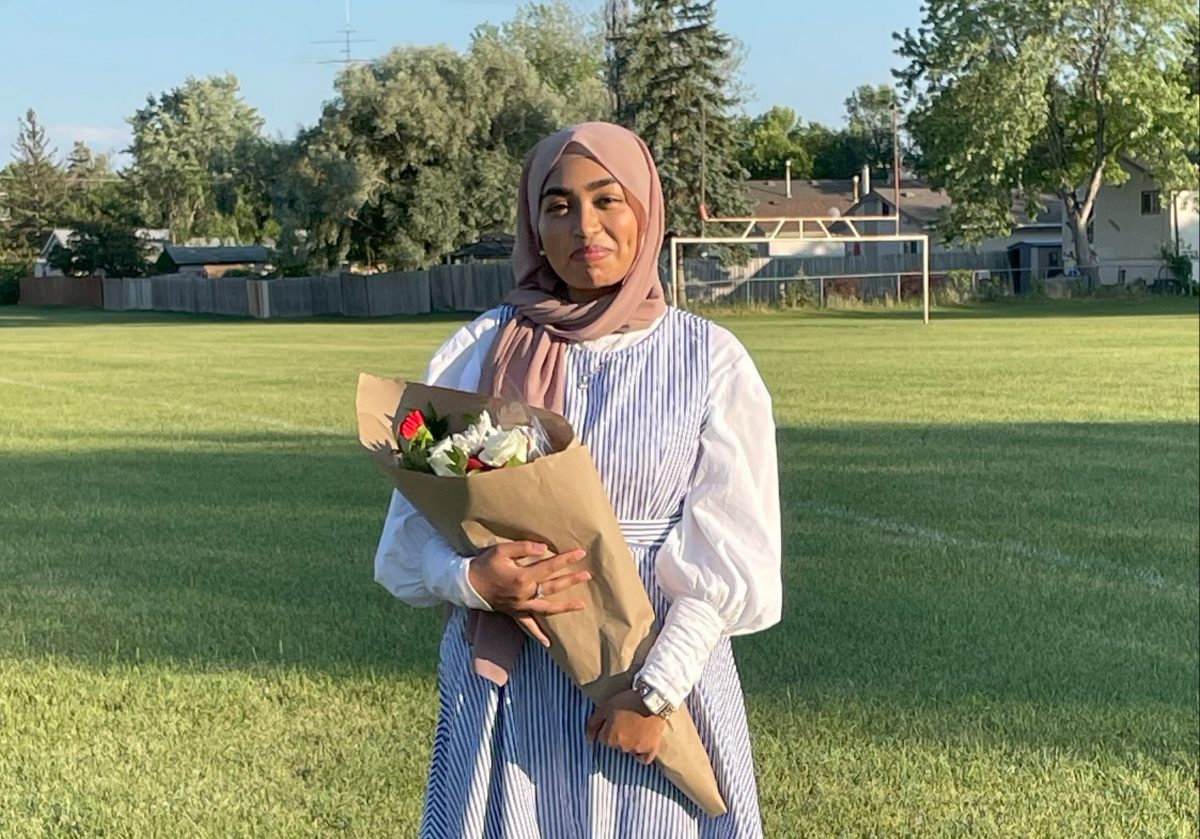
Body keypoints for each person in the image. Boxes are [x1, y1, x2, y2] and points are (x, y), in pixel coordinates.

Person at [374, 121, 781, 838]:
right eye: (557, 205)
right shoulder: (479, 349)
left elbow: (735, 558)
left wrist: (651, 695)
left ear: (645, 212)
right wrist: (473, 581)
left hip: (660, 668)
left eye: (607, 200)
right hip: (513, 679)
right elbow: (407, 545)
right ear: (533, 222)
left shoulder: (710, 360)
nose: (584, 226)